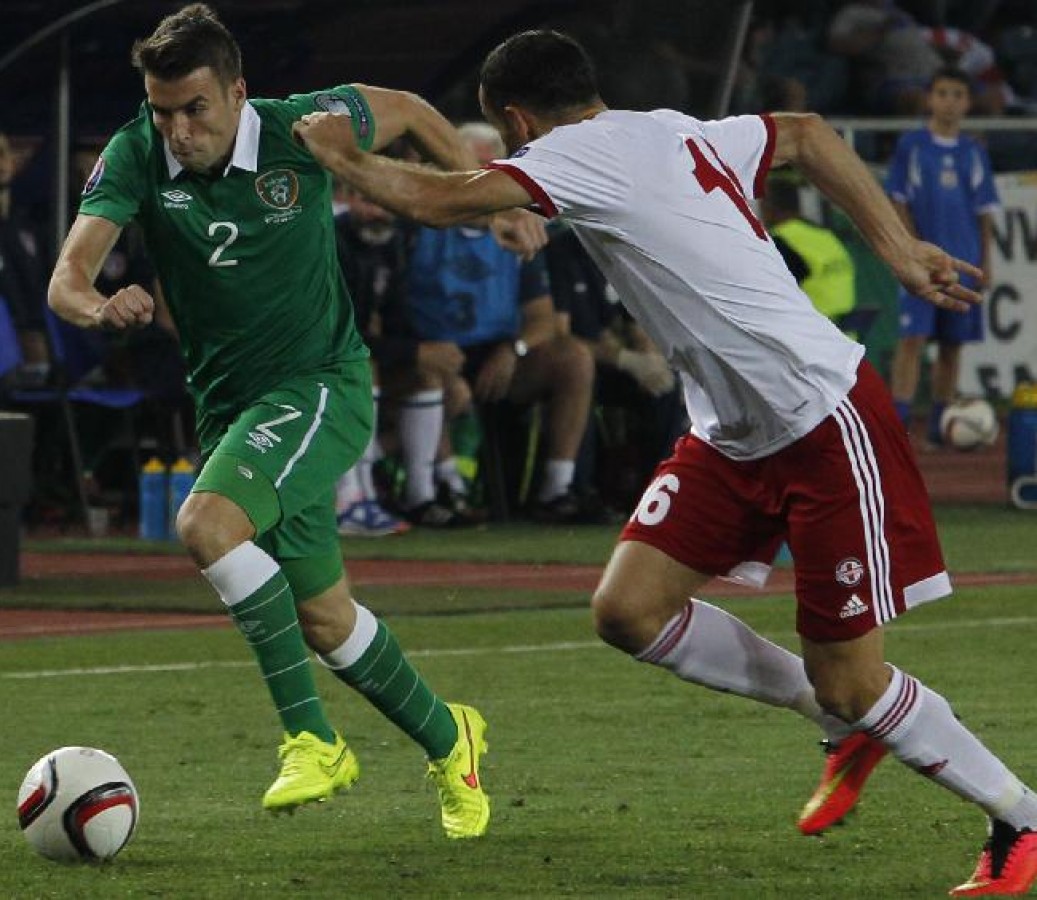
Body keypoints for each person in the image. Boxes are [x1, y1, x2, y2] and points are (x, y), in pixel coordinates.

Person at [294, 29, 1037, 895]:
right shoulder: (668, 129)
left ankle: (1017, 816)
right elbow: (805, 133)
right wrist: (897, 249)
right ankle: (840, 719)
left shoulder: (575, 154)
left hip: (822, 420)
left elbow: (433, 200)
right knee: (628, 610)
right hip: (730, 435)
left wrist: (341, 155)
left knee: (854, 679)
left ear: (517, 119)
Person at [43, 3, 554, 840]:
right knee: (326, 622)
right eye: (163, 112)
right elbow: (66, 277)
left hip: (321, 385)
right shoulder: (136, 151)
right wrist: (99, 307)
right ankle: (449, 739)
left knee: (206, 524)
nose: (178, 130)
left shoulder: (303, 126)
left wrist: (482, 196)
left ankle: (311, 740)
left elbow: (411, 110)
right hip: (232, 410)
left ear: (237, 93)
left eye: (194, 109)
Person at [399, 122, 598, 525]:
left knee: (574, 357)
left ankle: (557, 489)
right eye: (475, 167)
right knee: (430, 369)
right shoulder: (417, 227)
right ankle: (447, 489)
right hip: (433, 348)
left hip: (498, 353)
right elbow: (391, 309)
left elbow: (542, 318)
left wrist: (513, 350)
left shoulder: (517, 228)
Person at [886, 66, 999, 446]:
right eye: (942, 93)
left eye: (957, 95)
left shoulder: (974, 151)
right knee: (912, 340)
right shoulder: (912, 146)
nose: (949, 102)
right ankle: (899, 427)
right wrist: (908, 247)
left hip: (963, 260)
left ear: (967, 103)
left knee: (952, 347)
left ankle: (938, 427)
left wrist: (986, 261)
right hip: (921, 263)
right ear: (929, 99)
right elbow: (898, 201)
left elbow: (984, 213)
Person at [759, 176, 859, 329]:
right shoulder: (827, 236)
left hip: (808, 332)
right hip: (845, 334)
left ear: (768, 206)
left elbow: (770, 295)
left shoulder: (781, 240)